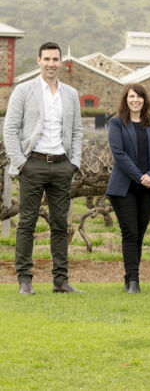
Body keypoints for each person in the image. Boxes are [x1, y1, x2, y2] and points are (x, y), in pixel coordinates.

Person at [4, 41, 84, 294]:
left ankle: (61, 281)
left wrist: (75, 163)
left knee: (60, 224)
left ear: (61, 62)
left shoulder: (70, 94)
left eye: (55, 59)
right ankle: (25, 280)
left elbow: (77, 131)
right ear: (38, 60)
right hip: (33, 165)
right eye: (46, 59)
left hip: (62, 165)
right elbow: (10, 129)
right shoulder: (24, 90)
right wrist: (20, 162)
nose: (51, 64)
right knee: (27, 223)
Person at [106, 83, 150, 293]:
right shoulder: (116, 123)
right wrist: (140, 176)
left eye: (139, 97)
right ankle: (134, 282)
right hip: (124, 187)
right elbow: (119, 154)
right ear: (126, 99)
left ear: (144, 100)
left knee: (139, 234)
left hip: (148, 187)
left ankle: (129, 277)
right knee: (130, 233)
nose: (135, 100)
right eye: (131, 97)